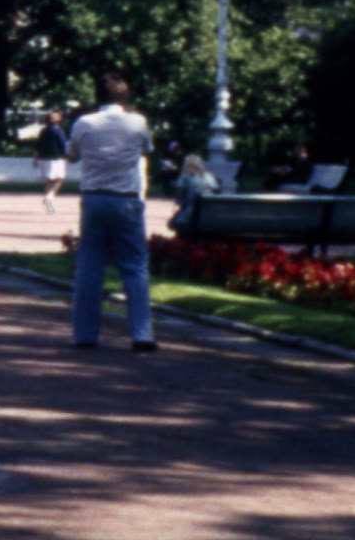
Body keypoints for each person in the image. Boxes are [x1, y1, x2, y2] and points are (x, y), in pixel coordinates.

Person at [66, 73, 156, 352]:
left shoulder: (84, 123)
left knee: (90, 268)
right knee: (134, 267)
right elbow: (147, 149)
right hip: (126, 199)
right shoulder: (137, 122)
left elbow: (71, 155)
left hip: (94, 198)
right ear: (124, 96)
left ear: (98, 96)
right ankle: (142, 334)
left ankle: (85, 335)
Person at [169, 152, 220, 232]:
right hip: (209, 213)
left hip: (192, 213)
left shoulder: (185, 177)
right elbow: (216, 192)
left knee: (177, 222)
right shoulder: (209, 176)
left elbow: (180, 198)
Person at [34, 110, 69, 215]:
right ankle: (49, 196)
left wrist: (35, 159)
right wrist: (67, 155)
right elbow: (63, 145)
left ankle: (49, 205)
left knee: (49, 181)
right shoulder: (59, 131)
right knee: (59, 179)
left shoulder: (43, 131)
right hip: (56, 159)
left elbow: (37, 146)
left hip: (44, 159)